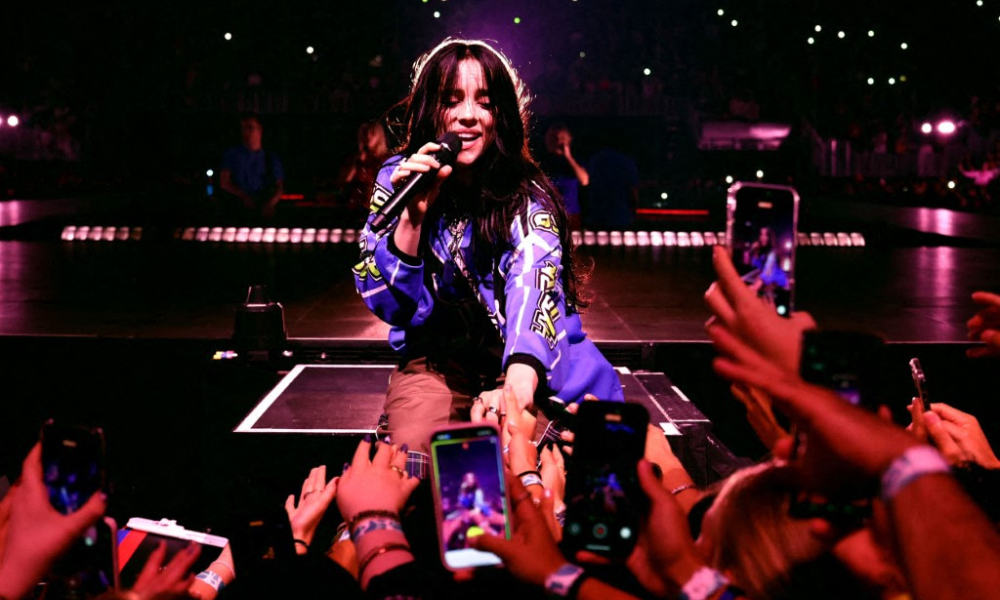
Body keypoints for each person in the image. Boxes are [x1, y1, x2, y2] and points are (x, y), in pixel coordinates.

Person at [352, 38, 623, 457]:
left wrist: (515, 391)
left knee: (523, 449)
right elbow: (389, 305)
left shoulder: (528, 198)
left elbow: (532, 285)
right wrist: (412, 219)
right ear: (429, 108)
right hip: (437, 360)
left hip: (525, 361)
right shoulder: (398, 180)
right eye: (452, 100)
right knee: (414, 456)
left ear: (502, 115)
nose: (468, 115)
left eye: (485, 102)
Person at [219, 115, 285, 221]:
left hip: (263, 209)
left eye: (250, 128)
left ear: (260, 130)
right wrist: (244, 197)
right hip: (238, 210)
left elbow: (279, 187)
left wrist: (270, 204)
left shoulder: (270, 157)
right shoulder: (233, 154)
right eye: (243, 129)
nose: (246, 133)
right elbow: (224, 182)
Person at [539, 123, 588, 231]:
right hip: (550, 214)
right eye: (555, 139)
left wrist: (568, 157)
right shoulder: (544, 161)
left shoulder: (575, 161)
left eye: (562, 138)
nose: (559, 142)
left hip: (572, 214)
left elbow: (584, 180)